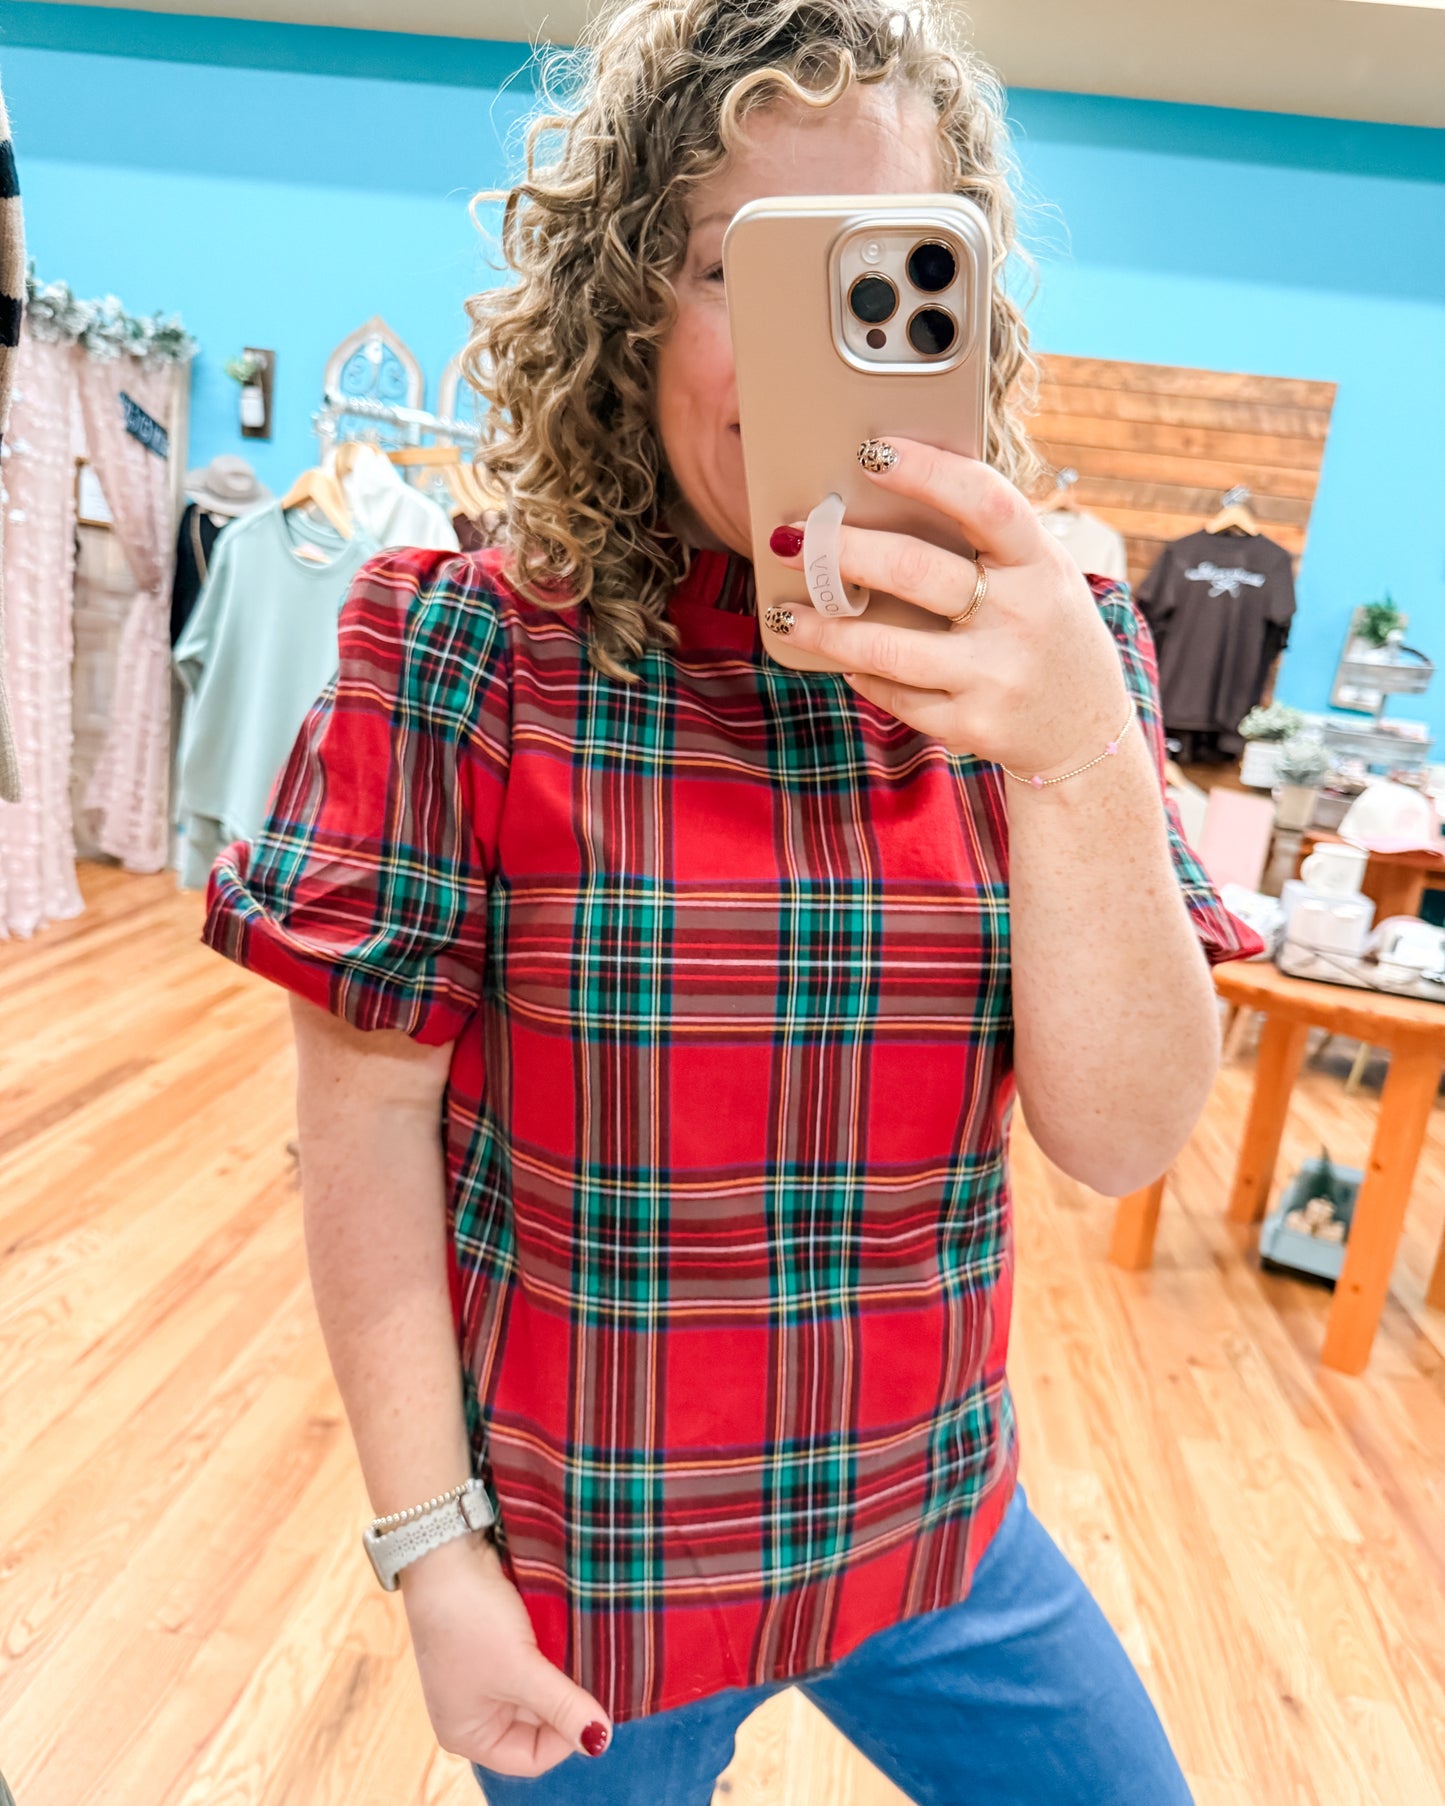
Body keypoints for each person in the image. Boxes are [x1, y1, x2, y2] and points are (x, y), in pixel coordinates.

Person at [201, 1, 1264, 1800]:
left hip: (933, 1526)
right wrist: (433, 1556)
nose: (809, 355)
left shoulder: (1050, 666)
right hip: (592, 1586)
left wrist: (1078, 752)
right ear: (625, 301)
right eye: (741, 270)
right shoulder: (463, 654)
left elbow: (1121, 1136)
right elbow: (363, 1123)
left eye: (882, 274)